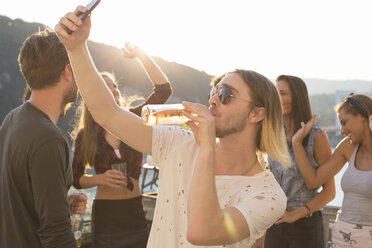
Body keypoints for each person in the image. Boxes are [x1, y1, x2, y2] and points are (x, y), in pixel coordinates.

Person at [55, 6, 290, 247]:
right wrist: (76, 47)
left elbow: (202, 232)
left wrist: (207, 147)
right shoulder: (179, 142)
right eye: (214, 91)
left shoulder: (268, 195)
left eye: (226, 94)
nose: (213, 100)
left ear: (256, 113)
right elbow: (108, 113)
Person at [72, 43, 172, 248]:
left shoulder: (135, 118)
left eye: (114, 87)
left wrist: (142, 56)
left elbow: (164, 90)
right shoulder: (86, 135)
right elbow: (76, 179)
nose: (113, 91)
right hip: (106, 214)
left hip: (134, 212)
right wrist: (100, 178)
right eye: (105, 87)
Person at [0, 29, 87, 248]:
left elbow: (16, 198)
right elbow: (57, 235)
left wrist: (59, 202)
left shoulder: (12, 119)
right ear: (67, 71)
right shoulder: (49, 139)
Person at [291, 93, 372, 248]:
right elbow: (313, 180)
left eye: (344, 122)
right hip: (342, 234)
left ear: (362, 117)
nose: (341, 131)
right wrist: (297, 143)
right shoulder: (348, 146)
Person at [264, 75, 335, 248]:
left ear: (297, 97)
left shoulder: (316, 137)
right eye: (275, 93)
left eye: (283, 93)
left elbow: (329, 192)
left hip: (306, 226)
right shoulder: (273, 135)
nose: (277, 98)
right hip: (275, 223)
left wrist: (296, 214)